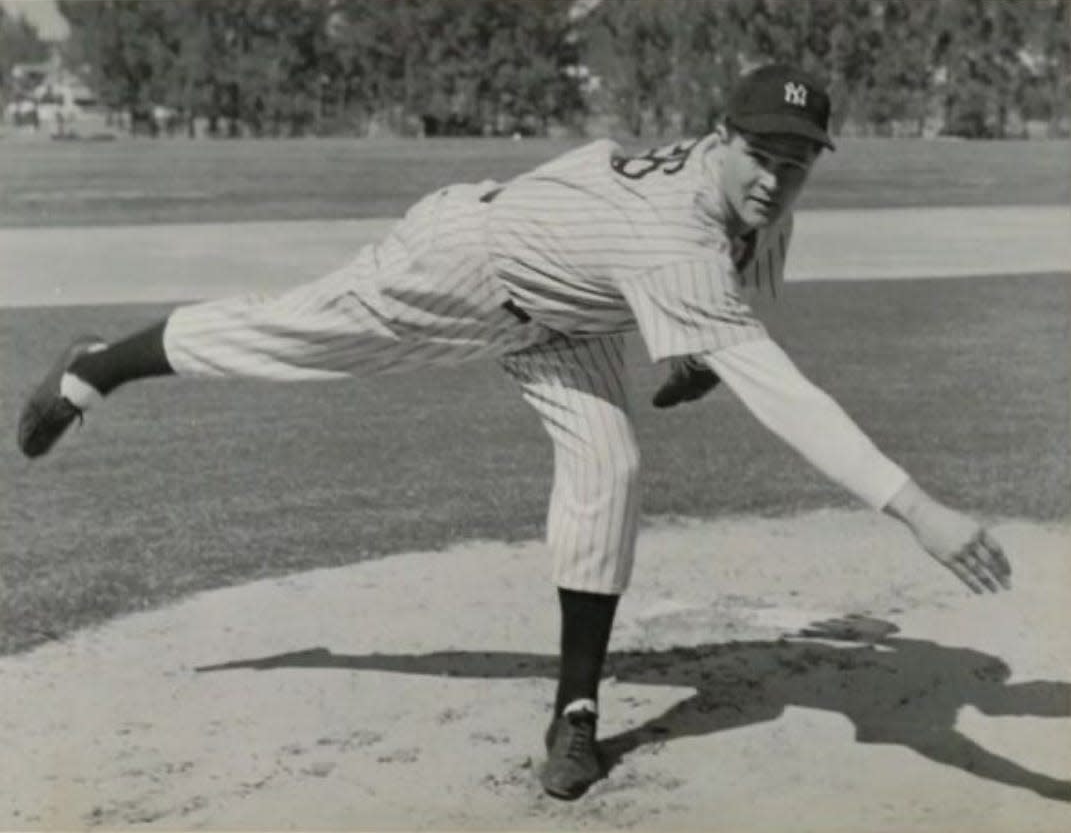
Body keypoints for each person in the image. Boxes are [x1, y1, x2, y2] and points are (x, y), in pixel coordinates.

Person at [17, 64, 1012, 800]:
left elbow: (725, 270)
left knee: (610, 461)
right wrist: (917, 508)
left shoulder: (758, 203)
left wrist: (691, 353)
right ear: (718, 139)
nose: (777, 177)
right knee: (297, 337)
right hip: (460, 264)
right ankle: (98, 365)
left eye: (799, 161)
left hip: (563, 317)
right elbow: (783, 390)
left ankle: (574, 711)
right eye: (761, 153)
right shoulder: (674, 232)